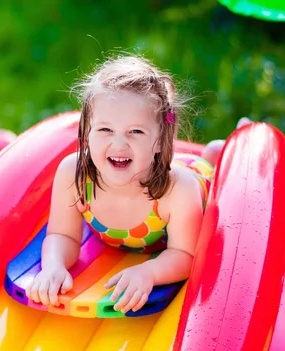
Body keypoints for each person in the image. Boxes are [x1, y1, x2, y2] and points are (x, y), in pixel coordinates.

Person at [26, 55, 215, 314]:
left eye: (135, 132)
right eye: (105, 130)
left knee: (216, 167)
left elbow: (185, 254)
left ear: (160, 140)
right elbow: (63, 235)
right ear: (86, 132)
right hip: (147, 162)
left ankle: (218, 153)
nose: (118, 144)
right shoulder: (75, 174)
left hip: (196, 179)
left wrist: (149, 272)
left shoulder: (177, 190)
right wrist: (54, 265)